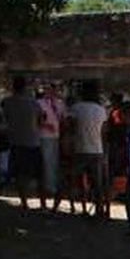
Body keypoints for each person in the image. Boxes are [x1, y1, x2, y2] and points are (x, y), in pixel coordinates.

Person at [66, 80, 109, 218]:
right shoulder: (101, 110)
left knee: (76, 180)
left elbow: (70, 128)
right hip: (97, 149)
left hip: (80, 148)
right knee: (97, 184)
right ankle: (99, 210)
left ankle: (75, 207)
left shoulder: (76, 108)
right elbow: (104, 132)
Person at [1, 75, 43, 210]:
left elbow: (6, 118)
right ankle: (42, 203)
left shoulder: (7, 102)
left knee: (19, 173)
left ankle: (24, 201)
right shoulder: (33, 103)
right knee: (38, 173)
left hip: (16, 140)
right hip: (33, 140)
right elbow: (41, 119)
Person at [36, 81, 66, 212]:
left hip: (58, 137)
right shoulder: (39, 104)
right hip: (44, 137)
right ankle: (46, 192)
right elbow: (36, 120)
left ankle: (54, 192)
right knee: (46, 164)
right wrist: (45, 125)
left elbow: (63, 119)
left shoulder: (60, 104)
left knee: (56, 165)